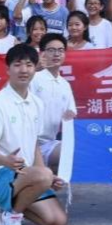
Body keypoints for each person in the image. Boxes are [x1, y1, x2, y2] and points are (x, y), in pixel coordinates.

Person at [0, 44, 67, 225]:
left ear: (35, 69)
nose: (24, 70)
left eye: (29, 65)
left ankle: (2, 208)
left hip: (25, 175)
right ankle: (10, 217)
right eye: (17, 65)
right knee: (43, 175)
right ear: (7, 69)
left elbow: (34, 144)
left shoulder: (37, 103)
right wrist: (5, 161)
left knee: (56, 222)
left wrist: (47, 178)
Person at [32, 34, 77, 173]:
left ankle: (46, 173)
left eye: (60, 50)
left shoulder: (64, 84)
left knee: (76, 152)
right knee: (67, 155)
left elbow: (71, 113)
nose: (56, 54)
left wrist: (69, 116)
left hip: (49, 143)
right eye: (51, 50)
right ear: (42, 53)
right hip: (28, 142)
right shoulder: (33, 77)